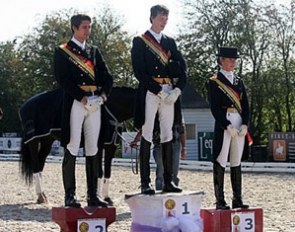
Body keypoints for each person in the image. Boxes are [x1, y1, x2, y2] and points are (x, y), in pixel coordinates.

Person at [54, 14, 113, 207]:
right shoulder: (63, 51)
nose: (88, 30)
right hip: (76, 102)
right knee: (72, 145)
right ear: (74, 28)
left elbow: (107, 76)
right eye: (84, 27)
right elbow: (63, 79)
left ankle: (92, 195)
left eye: (89, 27)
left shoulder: (94, 51)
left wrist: (103, 96)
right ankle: (70, 195)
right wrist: (82, 97)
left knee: (93, 148)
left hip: (95, 103)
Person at [131, 5, 187, 194]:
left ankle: (168, 180)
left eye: (166, 19)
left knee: (168, 135)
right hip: (150, 90)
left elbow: (182, 67)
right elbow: (139, 71)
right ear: (153, 18)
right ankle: (145, 181)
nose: (164, 22)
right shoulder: (140, 41)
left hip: (169, 91)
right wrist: (157, 89)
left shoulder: (169, 42)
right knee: (147, 134)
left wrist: (178, 89)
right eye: (161, 18)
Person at [208, 46, 250, 210]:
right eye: (230, 60)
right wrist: (226, 125)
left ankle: (237, 198)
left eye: (235, 60)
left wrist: (245, 124)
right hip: (224, 122)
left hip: (239, 122)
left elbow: (246, 106)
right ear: (221, 61)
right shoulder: (214, 82)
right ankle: (220, 200)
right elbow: (215, 108)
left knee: (236, 161)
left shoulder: (239, 82)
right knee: (221, 159)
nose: (233, 62)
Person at [152, 116, 187, 190]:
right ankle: (159, 191)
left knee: (174, 171)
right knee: (160, 171)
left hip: (174, 143)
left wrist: (184, 147)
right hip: (159, 143)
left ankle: (173, 192)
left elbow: (182, 130)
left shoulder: (177, 113)